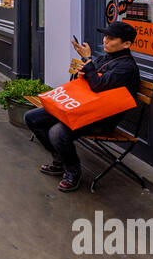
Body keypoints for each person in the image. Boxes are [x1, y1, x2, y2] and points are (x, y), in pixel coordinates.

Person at [24, 20, 142, 193]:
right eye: (105, 36)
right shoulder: (106, 58)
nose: (105, 41)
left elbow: (98, 85)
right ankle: (59, 160)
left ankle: (72, 171)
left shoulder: (127, 67)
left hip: (101, 118)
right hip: (82, 107)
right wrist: (84, 70)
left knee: (57, 131)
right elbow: (90, 80)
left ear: (126, 44)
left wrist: (87, 60)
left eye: (111, 38)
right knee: (32, 118)